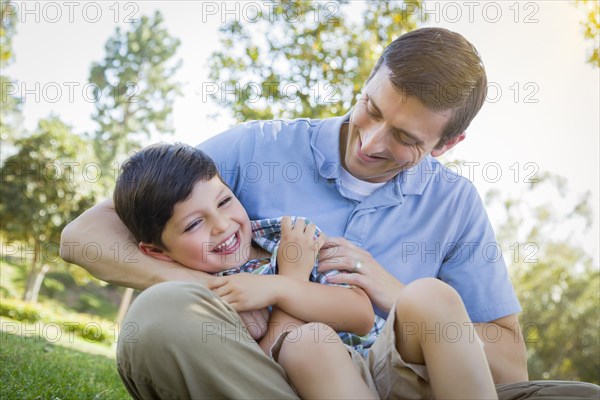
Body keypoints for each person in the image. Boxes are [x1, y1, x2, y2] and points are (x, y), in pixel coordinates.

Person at [61, 27, 600, 399]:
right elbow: (85, 235)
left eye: (405, 137)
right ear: (367, 80)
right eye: (371, 108)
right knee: (161, 318)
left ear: (448, 144)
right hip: (268, 375)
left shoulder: (455, 206)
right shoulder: (257, 148)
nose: (369, 141)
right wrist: (213, 292)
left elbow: (508, 367)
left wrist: (393, 291)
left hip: (401, 378)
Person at [112, 142, 497, 399]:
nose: (222, 226)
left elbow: (360, 314)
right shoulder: (201, 301)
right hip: (312, 385)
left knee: (431, 294)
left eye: (225, 201)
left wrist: (280, 285)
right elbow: (258, 368)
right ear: (156, 252)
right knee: (307, 343)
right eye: (194, 225)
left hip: (377, 368)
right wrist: (291, 280)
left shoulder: (287, 237)